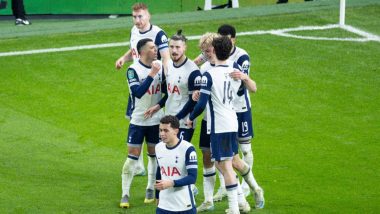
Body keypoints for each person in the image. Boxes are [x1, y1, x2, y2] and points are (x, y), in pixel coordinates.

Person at [186, 36, 246, 214]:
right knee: (223, 164)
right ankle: (239, 202)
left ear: (214, 51)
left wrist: (191, 117)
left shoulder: (209, 75)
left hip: (218, 125)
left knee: (225, 166)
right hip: (232, 122)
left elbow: (201, 103)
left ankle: (235, 208)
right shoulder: (234, 70)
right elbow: (241, 91)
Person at [115, 2, 170, 176]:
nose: (137, 20)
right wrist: (124, 58)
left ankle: (160, 168)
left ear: (148, 16)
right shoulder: (134, 30)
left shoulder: (158, 34)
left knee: (153, 122)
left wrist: (167, 80)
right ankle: (138, 165)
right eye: (135, 17)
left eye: (140, 16)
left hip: (154, 81)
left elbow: (166, 58)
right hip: (139, 80)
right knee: (135, 117)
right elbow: (134, 50)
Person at [212, 24, 264, 205]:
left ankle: (246, 186)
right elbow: (197, 62)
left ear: (234, 39)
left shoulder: (241, 57)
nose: (222, 41)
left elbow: (248, 86)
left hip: (239, 109)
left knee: (244, 150)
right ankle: (227, 188)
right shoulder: (214, 51)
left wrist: (243, 77)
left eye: (226, 38)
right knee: (223, 157)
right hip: (223, 113)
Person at [120, 38, 167, 208]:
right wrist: (152, 74)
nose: (156, 50)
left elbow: (168, 92)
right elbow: (137, 92)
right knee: (132, 157)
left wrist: (157, 107)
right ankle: (125, 194)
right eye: (152, 48)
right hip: (138, 120)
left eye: (155, 47)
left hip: (156, 120)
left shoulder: (161, 66)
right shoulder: (132, 70)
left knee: (154, 155)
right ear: (142, 52)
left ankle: (150, 188)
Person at [154, 115, 198, 214]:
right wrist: (157, 196)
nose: (162, 134)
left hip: (184, 206)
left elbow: (192, 177)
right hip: (163, 206)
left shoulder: (188, 149)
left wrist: (172, 183)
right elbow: (159, 172)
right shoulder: (158, 147)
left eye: (166, 130)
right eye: (160, 130)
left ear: (176, 131)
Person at [165, 30, 202, 142]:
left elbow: (193, 101)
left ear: (184, 47)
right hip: (168, 121)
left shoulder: (193, 71)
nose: (174, 50)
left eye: (177, 47)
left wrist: (176, 119)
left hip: (183, 123)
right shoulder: (169, 65)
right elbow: (168, 92)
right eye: (171, 47)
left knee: (179, 157)